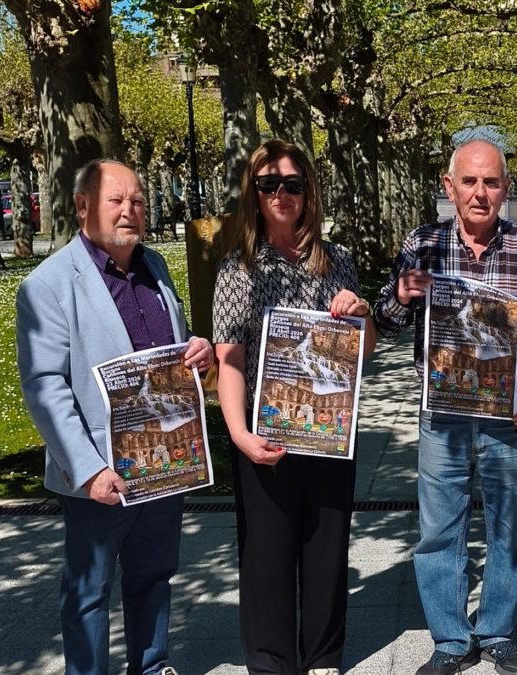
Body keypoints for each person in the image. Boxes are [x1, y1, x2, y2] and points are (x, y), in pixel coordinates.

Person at [374, 139, 517, 675]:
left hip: (511, 416)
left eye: (492, 182)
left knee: (511, 524)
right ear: (449, 186)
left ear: (506, 189)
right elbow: (383, 324)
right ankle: (452, 638)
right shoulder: (422, 243)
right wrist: (401, 294)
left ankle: (498, 630)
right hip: (444, 416)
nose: (480, 193)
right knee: (440, 527)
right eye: (470, 181)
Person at [16, 159, 213, 675]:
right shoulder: (49, 285)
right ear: (83, 207)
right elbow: (44, 384)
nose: (130, 211)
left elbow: (171, 352)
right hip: (101, 472)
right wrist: (86, 468)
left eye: (138, 201)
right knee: (89, 591)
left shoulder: (156, 268)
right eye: (115, 200)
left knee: (155, 574)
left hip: (164, 460)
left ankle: (151, 663)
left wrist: (197, 352)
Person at [212, 139, 376, 675]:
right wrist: (238, 434)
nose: (281, 194)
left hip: (330, 430)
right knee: (267, 555)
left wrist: (361, 312)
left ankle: (323, 655)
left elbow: (365, 345)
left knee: (328, 548)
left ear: (309, 192)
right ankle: (270, 660)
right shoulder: (238, 269)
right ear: (253, 194)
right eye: (268, 184)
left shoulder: (339, 261)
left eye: (293, 184)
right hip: (265, 431)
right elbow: (230, 360)